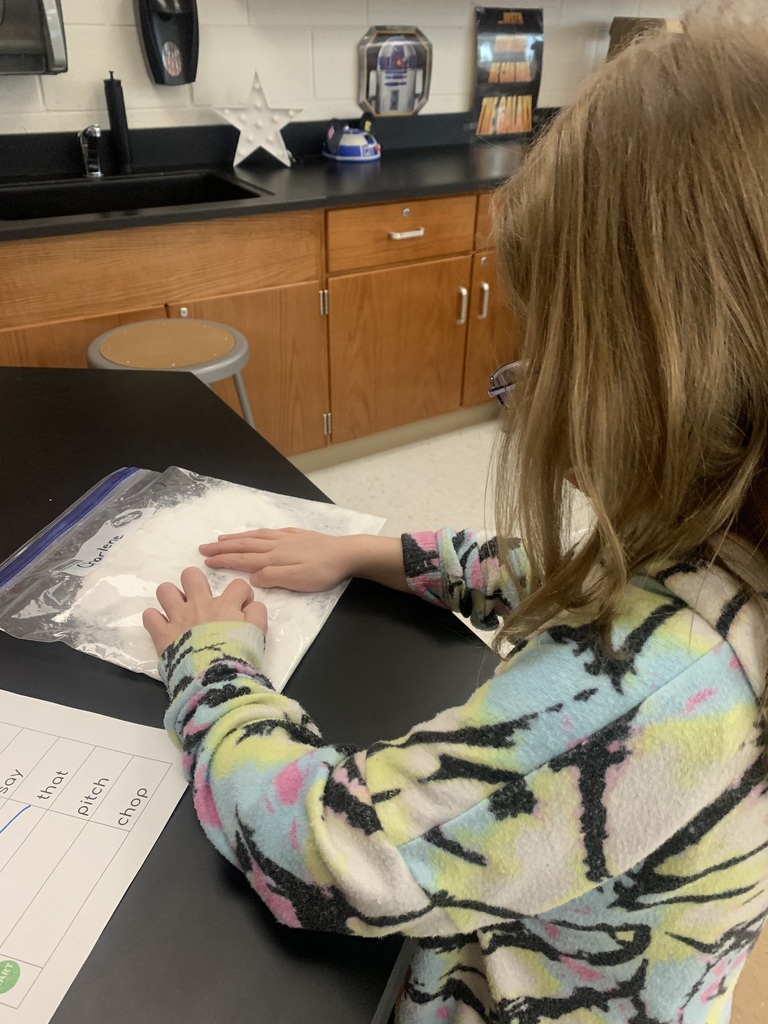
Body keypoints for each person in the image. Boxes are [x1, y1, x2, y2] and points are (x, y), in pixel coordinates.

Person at [143, 8, 768, 1022]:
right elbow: (567, 570)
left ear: (660, 375)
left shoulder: (656, 689)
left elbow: (341, 855)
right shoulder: (730, 572)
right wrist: (375, 548)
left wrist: (213, 666)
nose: (520, 379)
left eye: (552, 342)